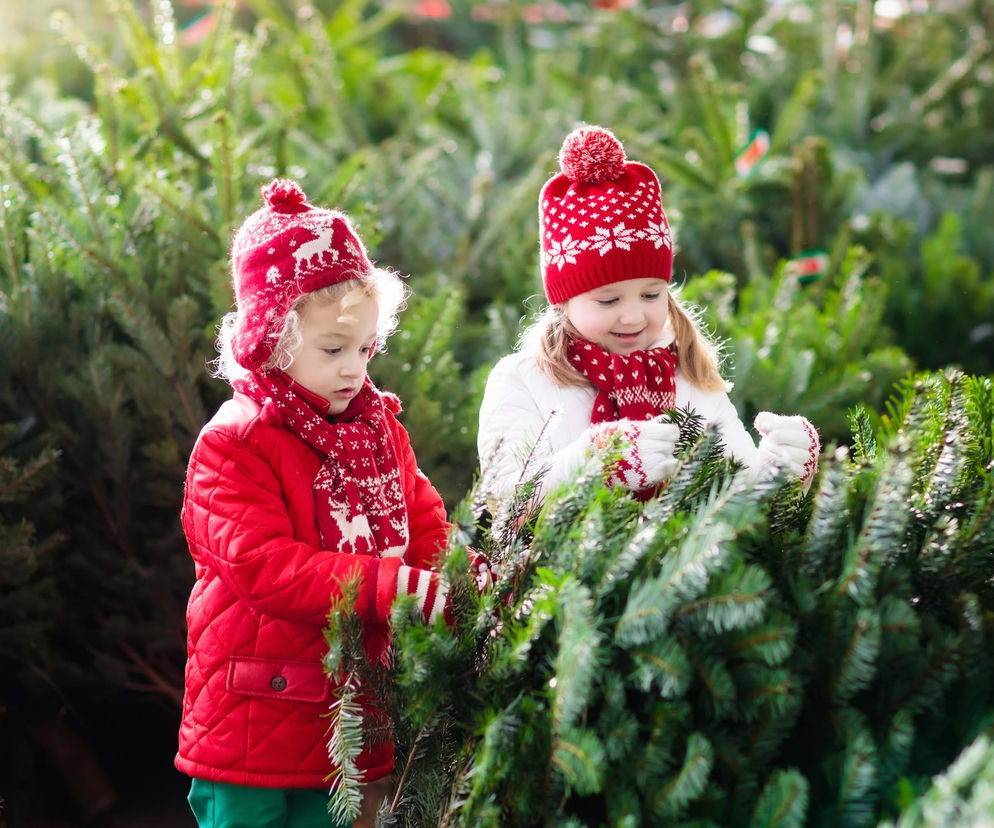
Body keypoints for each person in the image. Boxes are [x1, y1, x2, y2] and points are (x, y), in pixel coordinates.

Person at [176, 178, 451, 828]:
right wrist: (394, 585)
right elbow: (265, 568)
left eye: (365, 348)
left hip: (355, 718)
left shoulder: (376, 427)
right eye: (333, 350)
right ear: (271, 339)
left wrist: (452, 581)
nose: (355, 368)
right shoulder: (236, 442)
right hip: (256, 715)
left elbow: (421, 516)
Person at [478, 125, 820, 504]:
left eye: (651, 294)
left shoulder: (688, 376)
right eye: (609, 301)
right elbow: (502, 498)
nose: (633, 317)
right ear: (563, 300)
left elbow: (736, 498)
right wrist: (595, 463)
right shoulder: (524, 381)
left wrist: (779, 470)